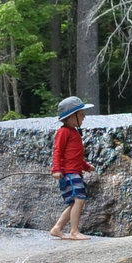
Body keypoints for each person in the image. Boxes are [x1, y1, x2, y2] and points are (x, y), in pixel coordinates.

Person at [49, 96, 94, 240]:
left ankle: (57, 228)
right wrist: (56, 169)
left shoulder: (74, 132)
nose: (84, 117)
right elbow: (58, 151)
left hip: (75, 172)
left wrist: (86, 167)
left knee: (76, 202)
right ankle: (74, 231)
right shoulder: (63, 132)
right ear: (70, 117)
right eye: (81, 114)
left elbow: (76, 156)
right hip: (69, 173)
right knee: (79, 199)